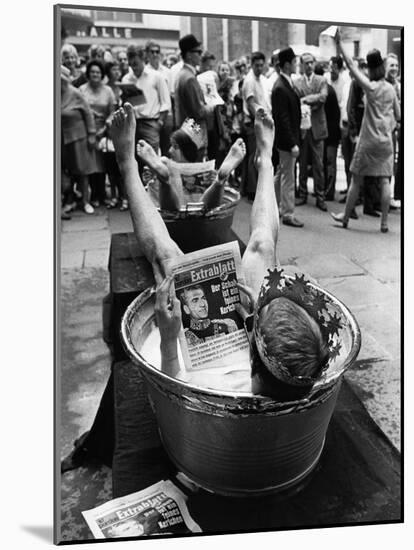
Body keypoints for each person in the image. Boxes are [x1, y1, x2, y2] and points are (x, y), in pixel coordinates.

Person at [110, 102, 329, 394]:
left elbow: (173, 389)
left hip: (214, 366)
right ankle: (266, 161)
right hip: (273, 361)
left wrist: (167, 338)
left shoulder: (216, 389)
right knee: (263, 245)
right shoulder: (308, 368)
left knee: (168, 258)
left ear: (252, 353)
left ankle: (126, 164)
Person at [331, 30, 400, 233]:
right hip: (386, 141)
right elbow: (398, 115)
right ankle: (384, 223)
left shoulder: (370, 87)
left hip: (368, 140)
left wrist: (339, 42)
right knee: (385, 179)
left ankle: (345, 216)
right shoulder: (391, 89)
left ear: (370, 69)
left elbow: (352, 66)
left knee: (357, 179)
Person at [136, 117, 246, 211]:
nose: (170, 150)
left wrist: (213, 179)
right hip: (178, 215)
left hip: (193, 216)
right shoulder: (166, 165)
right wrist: (149, 180)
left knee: (213, 193)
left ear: (188, 150)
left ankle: (219, 180)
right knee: (159, 183)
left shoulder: (207, 170)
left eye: (175, 147)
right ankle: (219, 182)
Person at [122, 44, 171, 173]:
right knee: (135, 159)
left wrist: (159, 123)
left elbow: (166, 102)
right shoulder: (126, 79)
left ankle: (154, 189)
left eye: (136, 63)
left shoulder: (156, 76)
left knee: (152, 160)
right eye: (131, 63)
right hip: (133, 123)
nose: (133, 66)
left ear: (143, 59)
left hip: (151, 122)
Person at [271, 47, 303, 228]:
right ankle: (288, 213)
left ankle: (274, 206)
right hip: (286, 141)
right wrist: (292, 143)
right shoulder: (281, 87)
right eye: (294, 62)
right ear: (286, 64)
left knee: (281, 174)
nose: (296, 65)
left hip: (286, 140)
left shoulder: (285, 83)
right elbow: (282, 119)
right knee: (288, 178)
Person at [294, 52, 328, 212]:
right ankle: (302, 194)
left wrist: (306, 99)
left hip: (317, 128)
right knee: (302, 162)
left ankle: (320, 196)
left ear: (314, 64)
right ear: (301, 65)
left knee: (318, 164)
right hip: (303, 128)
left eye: (311, 63)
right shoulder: (297, 82)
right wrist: (306, 100)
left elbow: (323, 97)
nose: (308, 65)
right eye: (305, 63)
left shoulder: (321, 80)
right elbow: (295, 100)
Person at [80, 60, 116, 207]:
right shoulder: (81, 90)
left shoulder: (108, 91)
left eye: (98, 72)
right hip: (86, 131)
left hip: (103, 132)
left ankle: (102, 195)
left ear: (102, 75)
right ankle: (93, 195)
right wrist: (90, 132)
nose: (95, 74)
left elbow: (112, 113)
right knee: (90, 165)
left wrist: (103, 129)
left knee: (102, 165)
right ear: (88, 73)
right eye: (93, 72)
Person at [60, 65, 96, 215]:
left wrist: (92, 134)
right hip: (62, 138)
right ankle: (70, 200)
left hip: (79, 136)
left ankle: (86, 201)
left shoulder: (75, 93)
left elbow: (88, 113)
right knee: (67, 170)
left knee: (82, 171)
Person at [174, 34, 213, 156]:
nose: (200, 55)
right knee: (197, 168)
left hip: (187, 130)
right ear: (189, 54)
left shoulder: (182, 74)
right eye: (198, 52)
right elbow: (198, 111)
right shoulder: (189, 78)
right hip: (194, 133)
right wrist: (211, 106)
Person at [241, 51, 271, 200]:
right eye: (257, 65)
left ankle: (248, 188)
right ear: (252, 65)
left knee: (254, 155)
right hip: (253, 123)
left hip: (260, 122)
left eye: (261, 65)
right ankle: (252, 190)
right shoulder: (250, 81)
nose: (259, 68)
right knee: (254, 156)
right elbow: (251, 104)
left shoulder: (261, 80)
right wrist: (261, 120)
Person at [314, 62, 341, 202]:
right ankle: (325, 190)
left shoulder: (326, 91)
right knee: (326, 163)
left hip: (330, 134)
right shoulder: (327, 89)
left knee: (329, 163)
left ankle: (328, 191)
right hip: (329, 133)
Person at [145, 40, 174, 156]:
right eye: (152, 52)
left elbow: (172, 94)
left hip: (167, 115)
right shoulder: (145, 72)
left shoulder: (167, 72)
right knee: (151, 151)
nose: (155, 54)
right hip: (152, 115)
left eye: (157, 52)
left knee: (167, 149)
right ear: (147, 54)